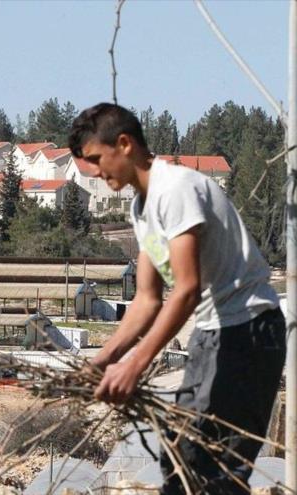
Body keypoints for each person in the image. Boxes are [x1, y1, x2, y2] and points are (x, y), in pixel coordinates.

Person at [68, 103, 286, 494]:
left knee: (217, 468)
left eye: (98, 160)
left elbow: (185, 289)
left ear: (125, 143)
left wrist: (134, 366)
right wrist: (101, 362)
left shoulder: (177, 190)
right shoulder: (142, 208)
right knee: (181, 458)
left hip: (249, 332)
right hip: (212, 332)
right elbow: (147, 300)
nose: (97, 173)